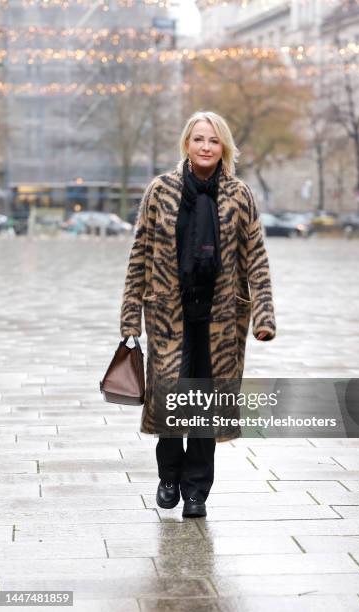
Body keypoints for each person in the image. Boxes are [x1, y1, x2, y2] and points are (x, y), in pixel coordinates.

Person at [120, 110, 276, 518]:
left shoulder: (239, 195)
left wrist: (263, 315)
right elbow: (139, 253)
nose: (206, 147)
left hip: (220, 321)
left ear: (223, 147)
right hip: (169, 317)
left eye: (213, 140)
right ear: (187, 144)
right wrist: (129, 316)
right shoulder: (161, 191)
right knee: (171, 399)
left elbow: (256, 258)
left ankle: (197, 490)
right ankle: (169, 475)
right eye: (198, 139)